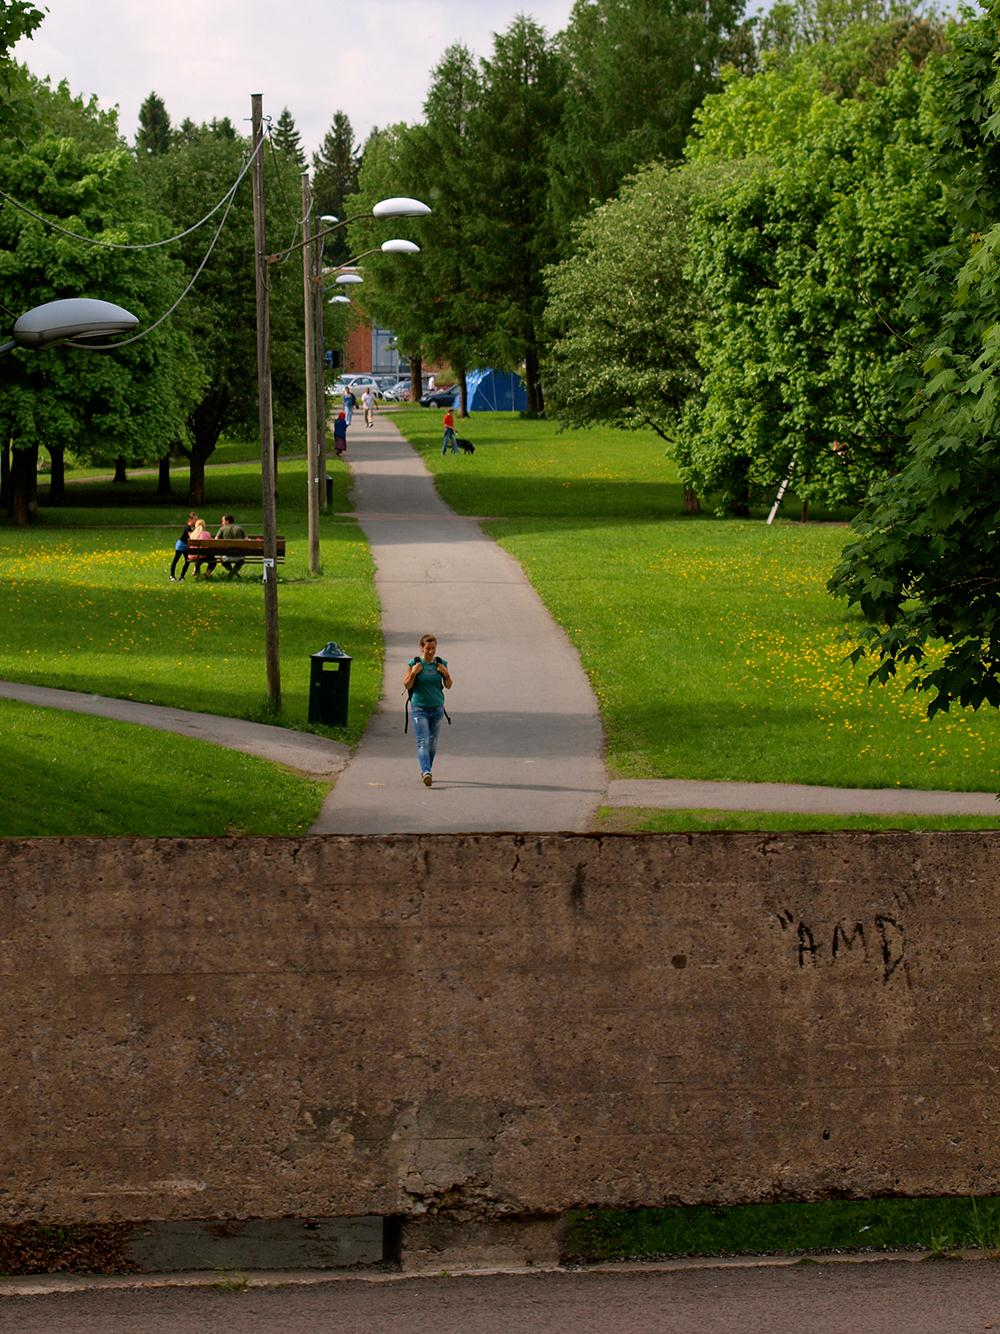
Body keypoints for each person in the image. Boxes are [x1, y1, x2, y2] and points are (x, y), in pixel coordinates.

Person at [403, 633, 452, 787]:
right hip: (419, 708)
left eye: (433, 648)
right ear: (421, 648)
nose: (430, 651)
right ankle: (426, 772)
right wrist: (413, 673)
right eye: (427, 648)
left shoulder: (441, 663)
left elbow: (449, 685)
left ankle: (427, 769)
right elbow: (407, 685)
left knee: (433, 743)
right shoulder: (414, 663)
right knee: (423, 741)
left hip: (437, 708)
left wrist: (445, 673)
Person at [212, 512, 247, 579]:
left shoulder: (222, 529)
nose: (222, 523)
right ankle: (233, 573)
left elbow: (215, 540)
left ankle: (230, 573)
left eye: (223, 521)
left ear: (227, 521)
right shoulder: (240, 528)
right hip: (240, 557)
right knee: (240, 562)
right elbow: (247, 540)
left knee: (222, 561)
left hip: (226, 557)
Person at [170, 512, 196, 581]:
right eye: (195, 519)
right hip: (181, 545)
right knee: (176, 560)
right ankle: (172, 576)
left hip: (187, 546)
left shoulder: (194, 527)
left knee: (187, 561)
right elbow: (192, 537)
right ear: (191, 519)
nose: (196, 521)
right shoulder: (187, 527)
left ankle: (182, 576)